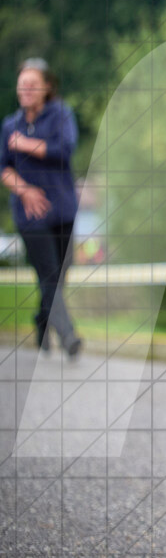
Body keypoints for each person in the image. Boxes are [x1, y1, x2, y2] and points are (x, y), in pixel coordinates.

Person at [1, 58, 83, 358]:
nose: (26, 90)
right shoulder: (10, 124)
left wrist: (25, 144)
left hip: (62, 209)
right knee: (48, 274)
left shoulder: (61, 115)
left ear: (47, 88)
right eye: (22, 85)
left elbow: (65, 150)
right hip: (29, 214)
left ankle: (41, 319)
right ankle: (68, 335)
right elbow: (3, 167)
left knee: (60, 274)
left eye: (32, 85)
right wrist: (24, 190)